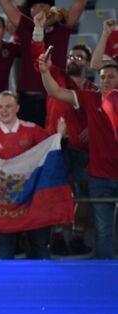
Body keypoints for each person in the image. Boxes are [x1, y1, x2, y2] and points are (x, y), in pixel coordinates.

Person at [31, 14, 97, 256]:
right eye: (71, 56)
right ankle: (57, 236)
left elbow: (104, 114)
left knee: (84, 194)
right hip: (56, 144)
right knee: (56, 191)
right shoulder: (57, 77)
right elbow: (38, 58)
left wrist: (95, 127)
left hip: (82, 149)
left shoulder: (94, 90)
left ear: (89, 64)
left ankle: (78, 236)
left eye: (79, 57)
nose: (74, 60)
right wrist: (38, 29)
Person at [40, 54, 118, 259]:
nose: (106, 80)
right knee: (104, 232)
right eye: (103, 77)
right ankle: (105, 280)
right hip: (100, 176)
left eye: (111, 76)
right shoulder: (90, 97)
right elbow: (55, 91)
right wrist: (45, 71)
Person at [0, 91, 64, 259]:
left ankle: (45, 283)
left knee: (39, 246)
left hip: (32, 199)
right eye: (0, 107)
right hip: (4, 202)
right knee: (5, 248)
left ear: (17, 108)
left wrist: (59, 137)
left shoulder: (32, 129)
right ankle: (5, 284)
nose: (4, 110)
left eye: (8, 106)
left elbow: (50, 151)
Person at [0, 0, 86, 127]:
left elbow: (80, 3)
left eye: (42, 5)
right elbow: (5, 3)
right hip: (28, 100)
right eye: (34, 6)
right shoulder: (26, 26)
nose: (38, 9)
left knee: (56, 142)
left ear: (51, 9)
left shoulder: (62, 26)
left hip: (56, 99)